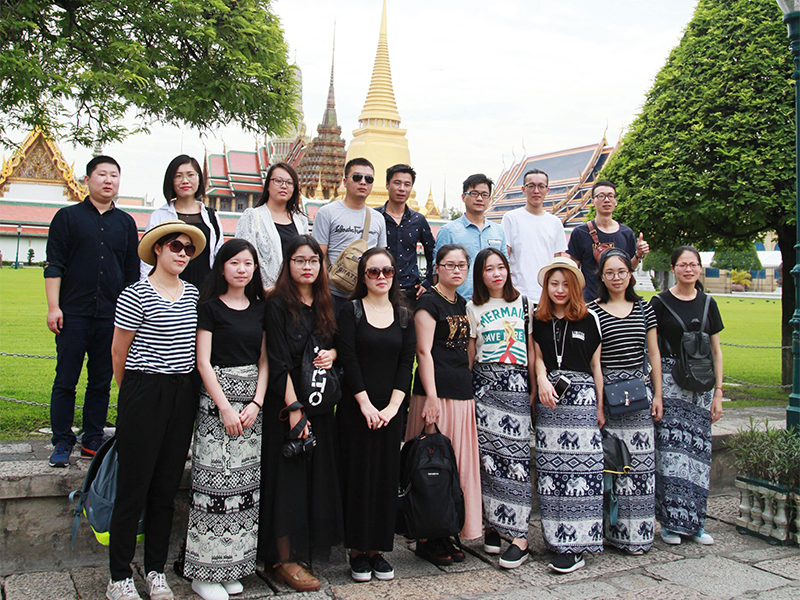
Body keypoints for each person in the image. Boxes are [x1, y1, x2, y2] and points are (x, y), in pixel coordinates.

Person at [107, 220, 207, 600]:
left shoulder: (193, 294)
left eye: (188, 249)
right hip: (144, 388)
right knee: (133, 487)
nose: (182, 254)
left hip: (182, 392)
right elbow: (119, 351)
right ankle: (119, 576)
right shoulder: (135, 294)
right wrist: (134, 395)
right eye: (175, 246)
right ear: (158, 250)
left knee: (165, 488)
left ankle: (155, 570)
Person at [184, 239, 268, 600]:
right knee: (214, 487)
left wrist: (257, 403)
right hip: (217, 405)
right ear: (222, 267)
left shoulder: (261, 308)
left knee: (244, 491)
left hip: (250, 407)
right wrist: (224, 407)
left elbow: (265, 360)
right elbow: (203, 362)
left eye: (248, 263)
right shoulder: (209, 308)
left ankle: (232, 567)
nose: (241, 269)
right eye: (234, 263)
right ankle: (203, 573)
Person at [259, 235, 342, 592]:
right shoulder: (277, 304)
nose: (307, 267)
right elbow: (277, 360)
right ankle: (283, 559)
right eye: (299, 260)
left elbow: (337, 344)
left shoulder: (326, 302)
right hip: (287, 406)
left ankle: (303, 551)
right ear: (288, 264)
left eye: (313, 261)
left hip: (320, 405)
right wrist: (295, 410)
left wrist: (332, 355)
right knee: (287, 484)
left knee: (313, 480)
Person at [44, 155, 139, 467]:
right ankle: (62, 440)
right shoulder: (67, 218)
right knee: (65, 380)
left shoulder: (125, 223)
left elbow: (131, 275)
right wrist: (54, 307)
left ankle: (92, 438)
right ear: (87, 180)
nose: (108, 180)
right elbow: (54, 265)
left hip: (111, 316)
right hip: (73, 314)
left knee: (100, 381)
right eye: (102, 174)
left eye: (114, 175)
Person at [336, 248, 416, 582]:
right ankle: (357, 550)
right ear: (363, 276)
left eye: (387, 271)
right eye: (373, 271)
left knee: (385, 478)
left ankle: (378, 550)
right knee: (358, 477)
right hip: (357, 409)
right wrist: (366, 405)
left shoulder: (404, 315)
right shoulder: (351, 311)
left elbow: (406, 363)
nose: (381, 277)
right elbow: (349, 359)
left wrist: (393, 408)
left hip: (390, 410)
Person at [406, 244, 481, 565]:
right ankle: (428, 537)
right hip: (434, 395)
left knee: (456, 467)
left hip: (461, 393)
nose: (456, 270)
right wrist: (432, 397)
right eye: (449, 265)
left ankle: (449, 530)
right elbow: (423, 351)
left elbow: (468, 350)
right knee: (432, 466)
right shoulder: (428, 302)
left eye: (462, 265)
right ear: (436, 268)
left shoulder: (462, 303)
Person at [587, 249, 663, 555]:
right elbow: (595, 361)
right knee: (613, 465)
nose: (616, 278)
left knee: (642, 467)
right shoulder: (593, 311)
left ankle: (639, 535)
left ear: (630, 275)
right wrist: (599, 405)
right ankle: (613, 532)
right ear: (602, 277)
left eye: (621, 272)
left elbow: (654, 353)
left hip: (640, 394)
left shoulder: (644, 308)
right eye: (610, 273)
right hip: (609, 393)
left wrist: (658, 394)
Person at [532, 256, 603, 574]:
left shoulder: (589, 319)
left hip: (582, 400)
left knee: (583, 471)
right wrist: (542, 380)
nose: (559, 289)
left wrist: (599, 407)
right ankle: (556, 539)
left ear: (574, 287)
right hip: (550, 400)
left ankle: (578, 544)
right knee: (551, 473)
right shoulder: (539, 319)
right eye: (554, 284)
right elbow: (537, 358)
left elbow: (596, 366)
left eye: (565, 284)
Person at [650, 246, 724, 546]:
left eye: (693, 264)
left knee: (698, 455)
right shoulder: (659, 303)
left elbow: (716, 351)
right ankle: (670, 522)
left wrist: (718, 393)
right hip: (671, 383)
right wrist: (656, 392)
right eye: (683, 265)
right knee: (670, 454)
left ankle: (696, 522)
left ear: (700, 268)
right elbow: (652, 351)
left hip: (701, 387)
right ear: (673, 268)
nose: (688, 270)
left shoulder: (708, 303)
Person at [466, 248, 535, 569]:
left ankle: (519, 535)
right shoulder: (473, 308)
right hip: (485, 387)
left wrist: (532, 387)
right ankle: (493, 526)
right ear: (480, 275)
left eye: (500, 267)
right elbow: (471, 354)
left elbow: (530, 350)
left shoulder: (523, 304)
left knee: (516, 459)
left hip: (516, 386)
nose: (496, 274)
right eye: (488, 269)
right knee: (488, 460)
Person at [312, 157, 387, 313]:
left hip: (365, 295)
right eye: (357, 177)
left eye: (369, 179)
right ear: (345, 182)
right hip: (333, 293)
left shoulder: (378, 218)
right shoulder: (327, 213)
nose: (363, 182)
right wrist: (323, 292)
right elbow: (318, 256)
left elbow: (381, 258)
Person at [141, 155, 224, 288]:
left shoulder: (211, 217)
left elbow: (218, 255)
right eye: (178, 176)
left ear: (199, 179)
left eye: (190, 175)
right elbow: (147, 260)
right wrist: (148, 289)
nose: (185, 181)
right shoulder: (160, 216)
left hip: (205, 290)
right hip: (167, 290)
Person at [566, 180, 649, 302]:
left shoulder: (626, 233)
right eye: (601, 196)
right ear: (593, 202)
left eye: (610, 196)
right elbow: (573, 268)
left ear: (615, 201)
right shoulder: (580, 233)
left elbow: (629, 268)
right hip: (590, 300)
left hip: (620, 300)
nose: (606, 200)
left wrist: (638, 254)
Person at [235, 162, 309, 289]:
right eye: (278, 181)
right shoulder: (252, 217)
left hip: (294, 292)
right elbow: (241, 257)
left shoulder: (300, 221)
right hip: (262, 292)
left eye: (289, 183)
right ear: (268, 185)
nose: (284, 186)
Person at [434, 174, 507, 301]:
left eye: (484, 195)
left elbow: (505, 265)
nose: (479, 198)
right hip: (460, 300)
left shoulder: (498, 231)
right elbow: (437, 270)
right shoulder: (449, 231)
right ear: (463, 197)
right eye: (474, 193)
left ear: (489, 199)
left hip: (492, 301)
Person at [501, 169, 567, 304]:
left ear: (547, 190)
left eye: (541, 186)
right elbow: (504, 257)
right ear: (523, 189)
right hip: (517, 294)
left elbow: (557, 261)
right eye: (531, 186)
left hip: (546, 295)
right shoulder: (511, 218)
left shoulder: (555, 222)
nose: (536, 191)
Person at [376, 164, 435, 309]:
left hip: (410, 293)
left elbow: (432, 253)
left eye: (407, 184)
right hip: (378, 289)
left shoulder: (418, 220)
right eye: (397, 183)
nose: (402, 188)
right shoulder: (375, 217)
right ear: (387, 185)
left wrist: (428, 282)